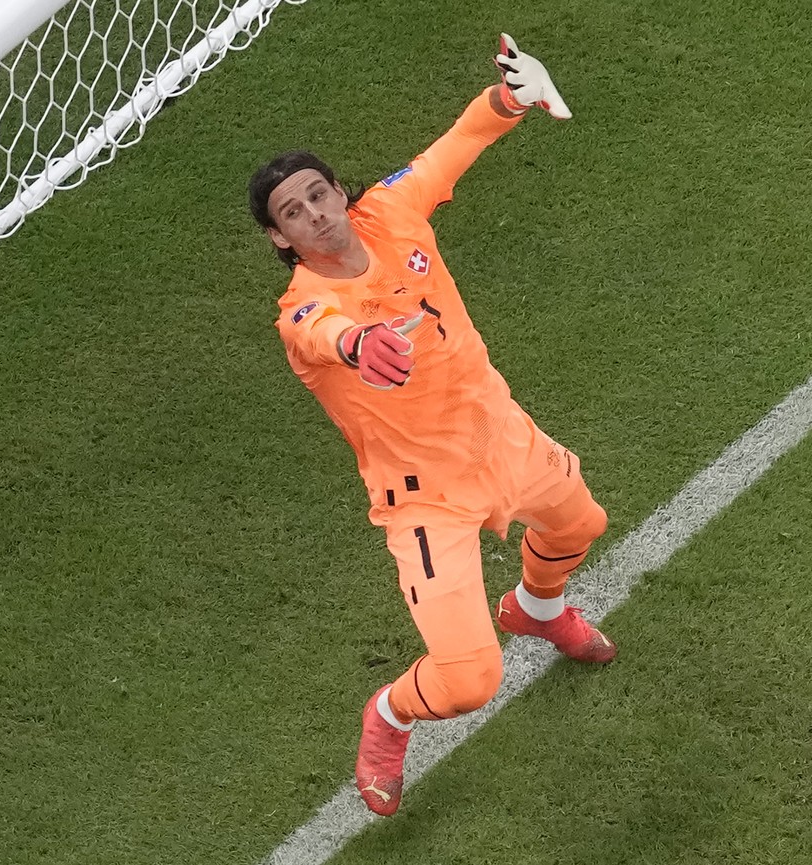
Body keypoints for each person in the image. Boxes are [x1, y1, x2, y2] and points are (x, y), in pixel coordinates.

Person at [248, 35, 612, 817]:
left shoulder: (389, 211)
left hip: (501, 434)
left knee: (581, 522)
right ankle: (388, 715)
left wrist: (512, 97)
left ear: (340, 193)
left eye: (319, 194)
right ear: (280, 239)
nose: (314, 213)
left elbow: (453, 148)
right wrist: (356, 341)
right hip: (425, 498)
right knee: (469, 681)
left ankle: (537, 610)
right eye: (293, 212)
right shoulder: (306, 309)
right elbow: (318, 332)